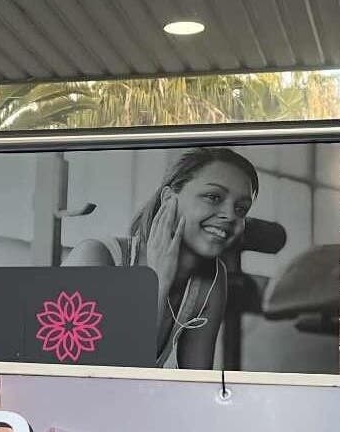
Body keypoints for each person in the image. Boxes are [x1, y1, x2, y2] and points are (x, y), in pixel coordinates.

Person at [66, 147, 258, 368]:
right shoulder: (96, 257)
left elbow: (195, 385)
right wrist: (157, 280)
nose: (230, 215)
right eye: (213, 197)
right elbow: (101, 379)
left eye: (241, 209)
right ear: (168, 199)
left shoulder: (211, 281)